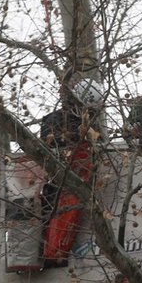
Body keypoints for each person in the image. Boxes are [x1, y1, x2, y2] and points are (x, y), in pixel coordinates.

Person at [39, 78, 107, 265]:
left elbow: (100, 148)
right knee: (59, 220)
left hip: (82, 182)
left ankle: (58, 253)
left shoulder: (93, 126)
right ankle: (54, 255)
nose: (90, 113)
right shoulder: (55, 120)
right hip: (59, 183)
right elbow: (48, 146)